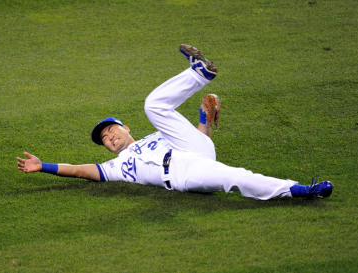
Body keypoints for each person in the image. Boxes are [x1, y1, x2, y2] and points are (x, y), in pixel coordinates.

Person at [17, 44, 333, 200]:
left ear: (127, 129)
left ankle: (201, 73)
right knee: (236, 176)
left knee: (154, 105)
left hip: (192, 150)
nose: (110, 136)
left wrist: (204, 125)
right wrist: (43, 166)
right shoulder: (117, 168)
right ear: (107, 149)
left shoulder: (157, 133)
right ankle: (302, 190)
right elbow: (81, 171)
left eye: (112, 129)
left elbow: (200, 144)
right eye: (104, 138)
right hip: (183, 174)